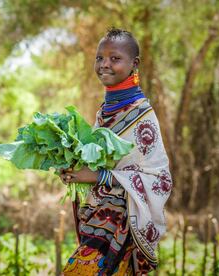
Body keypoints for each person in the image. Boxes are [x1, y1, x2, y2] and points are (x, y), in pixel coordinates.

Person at [59, 27, 172, 275]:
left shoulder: (142, 118)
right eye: (100, 57)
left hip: (122, 226)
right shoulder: (105, 113)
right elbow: (100, 164)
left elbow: (159, 180)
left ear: (135, 64)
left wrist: (99, 176)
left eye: (115, 58)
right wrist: (74, 170)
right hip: (98, 220)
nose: (104, 65)